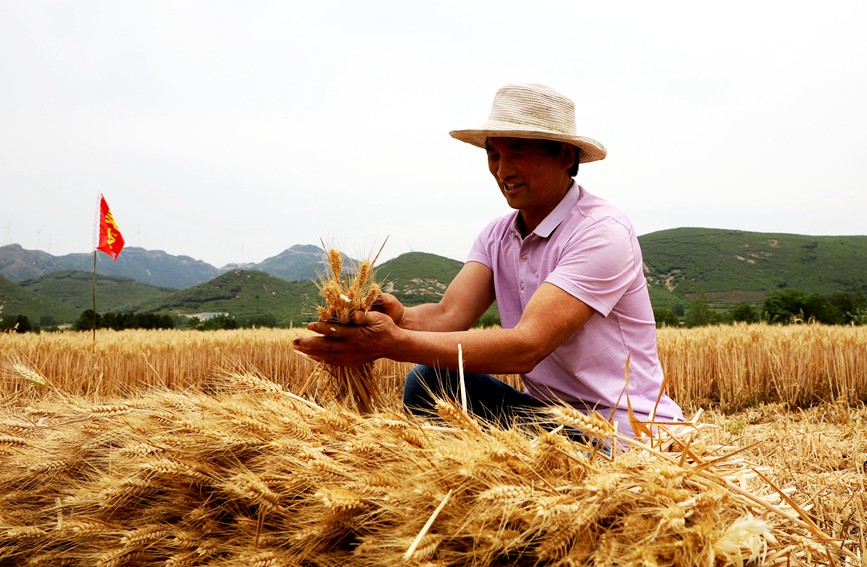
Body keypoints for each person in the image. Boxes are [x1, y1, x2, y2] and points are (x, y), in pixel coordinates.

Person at [293, 83, 683, 438]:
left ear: (565, 155)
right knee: (430, 382)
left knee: (427, 377)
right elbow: (449, 315)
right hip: (551, 421)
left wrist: (390, 344)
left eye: (518, 152)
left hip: (624, 433)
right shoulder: (498, 235)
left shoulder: (601, 231)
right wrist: (398, 317)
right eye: (493, 154)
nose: (502, 170)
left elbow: (527, 346)